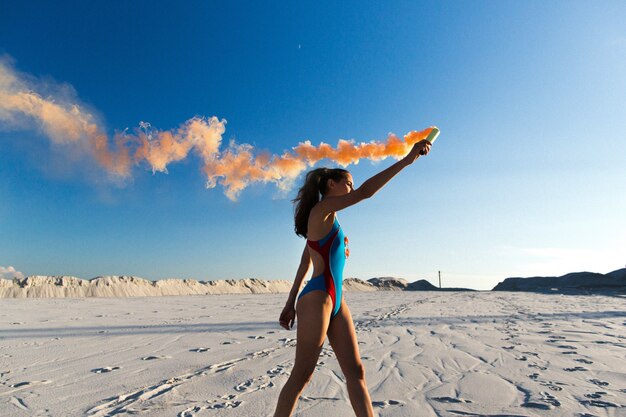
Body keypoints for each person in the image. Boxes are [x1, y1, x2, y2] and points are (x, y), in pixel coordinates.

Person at [273, 139, 432, 417]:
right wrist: (407, 160)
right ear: (331, 185)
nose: (351, 188)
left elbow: (303, 262)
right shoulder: (320, 211)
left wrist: (288, 303)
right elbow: (366, 193)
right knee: (302, 376)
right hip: (318, 298)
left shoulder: (328, 218)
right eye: (348, 182)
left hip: (336, 300)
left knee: (356, 371)